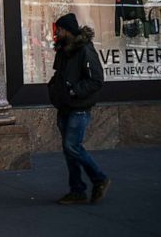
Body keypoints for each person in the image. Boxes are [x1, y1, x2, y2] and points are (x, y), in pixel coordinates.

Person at [47, 13, 111, 205]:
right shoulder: (63, 50)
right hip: (65, 105)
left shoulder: (84, 50)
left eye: (59, 29)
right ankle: (77, 190)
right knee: (70, 150)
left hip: (79, 107)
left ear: (67, 30)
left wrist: (75, 91)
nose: (56, 33)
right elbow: (59, 74)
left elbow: (96, 80)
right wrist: (55, 89)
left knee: (72, 146)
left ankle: (99, 178)